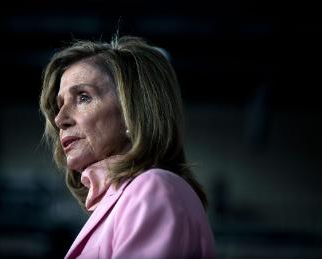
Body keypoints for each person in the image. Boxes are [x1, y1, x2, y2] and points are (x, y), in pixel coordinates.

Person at [39, 35, 216, 259]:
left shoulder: (154, 188)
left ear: (132, 112)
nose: (60, 119)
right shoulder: (126, 198)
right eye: (59, 105)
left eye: (83, 97)